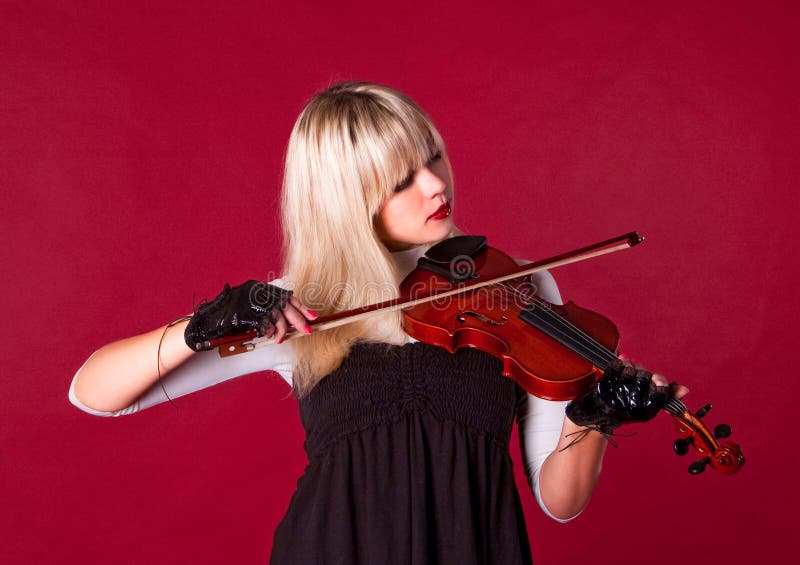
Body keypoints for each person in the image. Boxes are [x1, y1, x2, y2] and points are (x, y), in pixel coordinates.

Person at [70, 81, 684, 564]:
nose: (435, 184)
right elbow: (95, 395)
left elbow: (560, 502)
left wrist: (595, 417)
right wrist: (202, 324)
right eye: (400, 182)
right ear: (346, 200)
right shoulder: (295, 305)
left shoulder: (518, 288)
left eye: (433, 156)